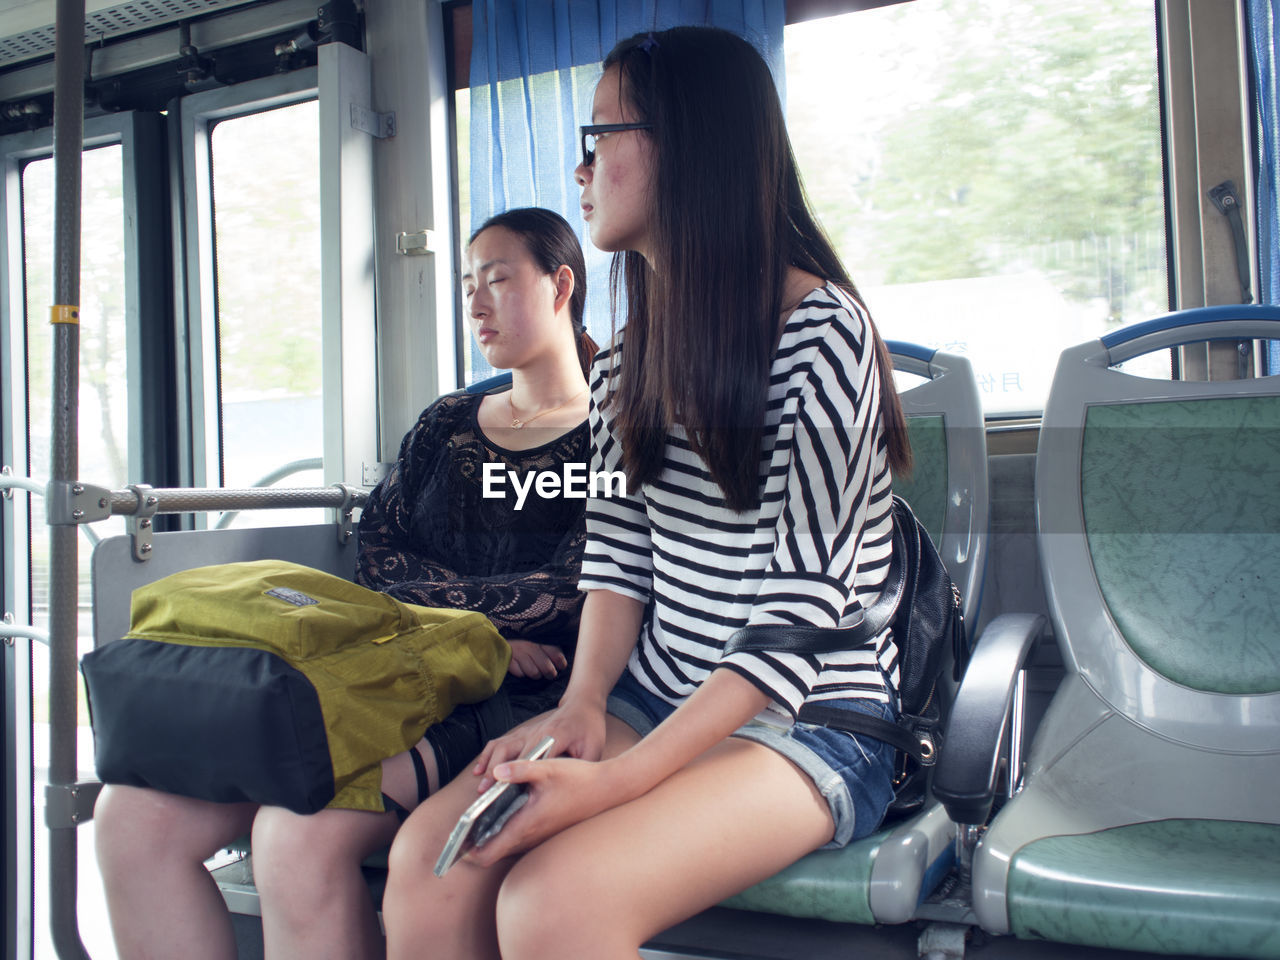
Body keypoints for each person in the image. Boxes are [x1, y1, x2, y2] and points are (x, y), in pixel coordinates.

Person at [381, 25, 914, 960]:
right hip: (653, 698)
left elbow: (803, 611)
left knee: (552, 903)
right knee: (433, 861)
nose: (579, 169)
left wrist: (620, 784)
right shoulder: (627, 359)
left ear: (683, 144)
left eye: (599, 138)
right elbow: (619, 554)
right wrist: (585, 702)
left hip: (809, 720)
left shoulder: (826, 331)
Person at [93, 206, 598, 960]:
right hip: (390, 669)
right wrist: (469, 629)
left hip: (519, 695)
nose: (475, 303)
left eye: (497, 279)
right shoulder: (445, 424)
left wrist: (448, 617)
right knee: (126, 819)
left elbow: (574, 585)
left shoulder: (611, 431)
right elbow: (379, 553)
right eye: (467, 284)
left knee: (293, 837)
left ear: (561, 286)